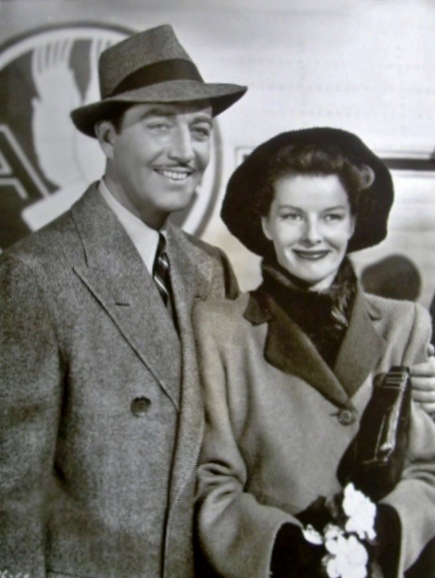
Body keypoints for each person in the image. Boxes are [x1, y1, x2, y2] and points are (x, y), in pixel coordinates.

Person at [0, 25, 246, 578]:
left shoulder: (210, 268)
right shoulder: (35, 273)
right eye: (159, 125)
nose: (185, 151)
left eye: (200, 130)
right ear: (108, 137)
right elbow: (11, 490)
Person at [194, 128, 435, 578]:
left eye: (331, 217)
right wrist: (287, 549)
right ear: (266, 223)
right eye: (291, 216)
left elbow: (427, 471)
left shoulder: (405, 325)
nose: (312, 236)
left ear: (352, 223)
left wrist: (384, 532)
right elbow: (211, 481)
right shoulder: (220, 330)